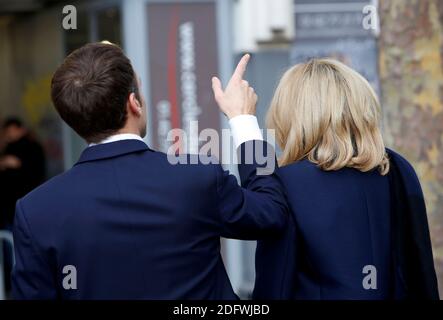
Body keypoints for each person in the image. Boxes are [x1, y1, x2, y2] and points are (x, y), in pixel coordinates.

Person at [11, 43, 288, 299]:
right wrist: (243, 121)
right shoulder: (195, 176)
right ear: (134, 103)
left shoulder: (36, 211)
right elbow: (270, 213)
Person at [246, 59, 439, 299]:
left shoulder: (286, 183)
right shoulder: (398, 169)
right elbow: (419, 270)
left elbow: (275, 286)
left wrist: (243, 123)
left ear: (290, 116)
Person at [0, 118, 46, 229]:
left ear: (21, 130)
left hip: (25, 197)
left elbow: (35, 170)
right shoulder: (9, 146)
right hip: (10, 202)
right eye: (8, 132)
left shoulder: (31, 146)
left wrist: (18, 163)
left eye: (12, 131)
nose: (10, 134)